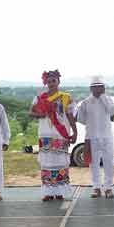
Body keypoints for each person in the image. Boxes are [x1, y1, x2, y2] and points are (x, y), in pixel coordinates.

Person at [30, 70, 77, 201]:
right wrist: (41, 114)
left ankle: (60, 191)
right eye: (49, 81)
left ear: (58, 82)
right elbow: (31, 113)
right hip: (45, 135)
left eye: (54, 81)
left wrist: (75, 132)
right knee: (47, 163)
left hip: (61, 134)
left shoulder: (66, 97)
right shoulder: (40, 98)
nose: (51, 84)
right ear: (46, 82)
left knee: (60, 163)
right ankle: (48, 192)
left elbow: (70, 116)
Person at [77, 75, 114, 198]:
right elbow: (81, 119)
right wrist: (92, 125)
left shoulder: (108, 99)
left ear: (103, 88)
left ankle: (108, 188)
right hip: (92, 137)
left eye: (100, 87)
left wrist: (103, 97)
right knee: (94, 163)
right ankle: (96, 187)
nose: (97, 89)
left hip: (106, 137)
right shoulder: (86, 102)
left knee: (109, 162)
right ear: (91, 88)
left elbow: (112, 112)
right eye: (95, 87)